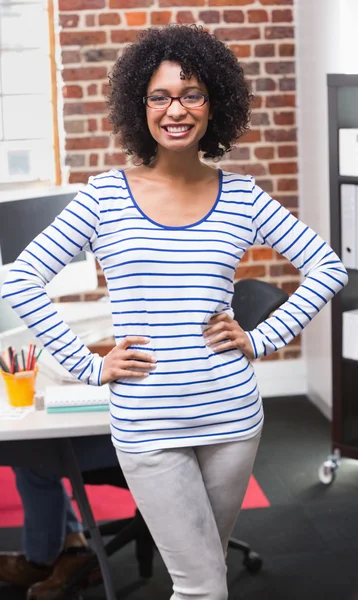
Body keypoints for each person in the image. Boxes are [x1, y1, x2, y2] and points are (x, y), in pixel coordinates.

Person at [1, 24, 348, 600]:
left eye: (191, 94)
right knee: (203, 586)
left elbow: (328, 267)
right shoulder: (104, 197)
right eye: (159, 96)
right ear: (141, 107)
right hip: (148, 423)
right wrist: (89, 367)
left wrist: (261, 339)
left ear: (215, 104)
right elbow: (22, 277)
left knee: (202, 577)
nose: (175, 110)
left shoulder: (242, 196)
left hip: (232, 418)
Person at [0, 436, 117, 598]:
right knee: (27, 448)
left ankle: (41, 561)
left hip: (138, 442)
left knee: (30, 455)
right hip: (142, 435)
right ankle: (73, 547)